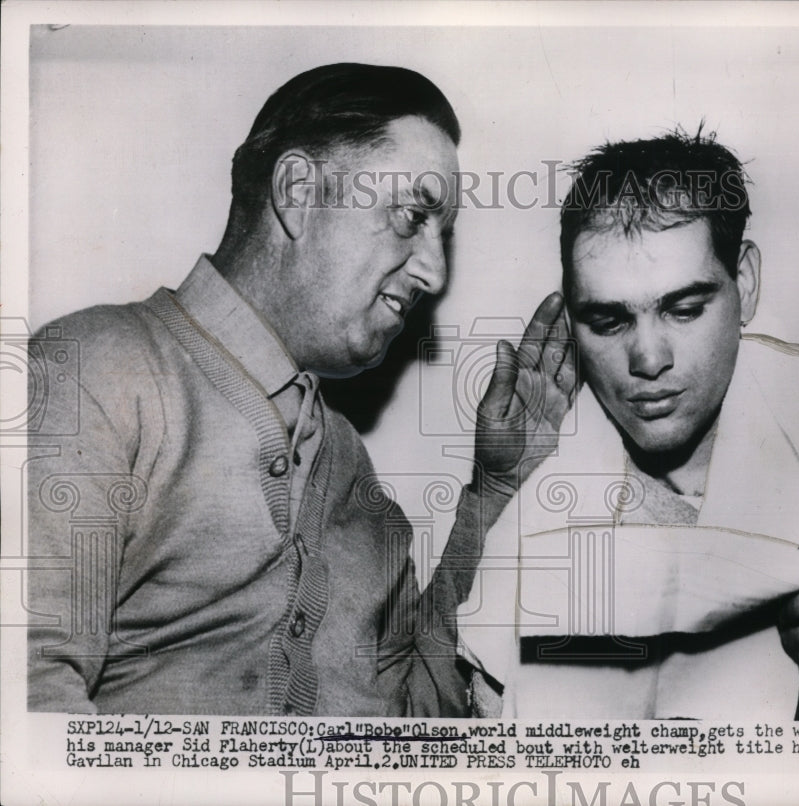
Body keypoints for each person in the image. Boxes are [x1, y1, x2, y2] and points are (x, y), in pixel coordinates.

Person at [26, 63, 576, 715]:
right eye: (412, 215)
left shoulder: (351, 469)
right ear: (297, 192)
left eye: (444, 236)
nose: (435, 272)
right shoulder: (96, 370)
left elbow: (425, 716)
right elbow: (28, 691)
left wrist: (493, 490)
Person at [458, 128, 799, 720]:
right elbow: (429, 717)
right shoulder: (539, 460)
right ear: (571, 316)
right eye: (608, 321)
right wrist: (493, 492)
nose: (648, 360)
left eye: (684, 309)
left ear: (745, 282)